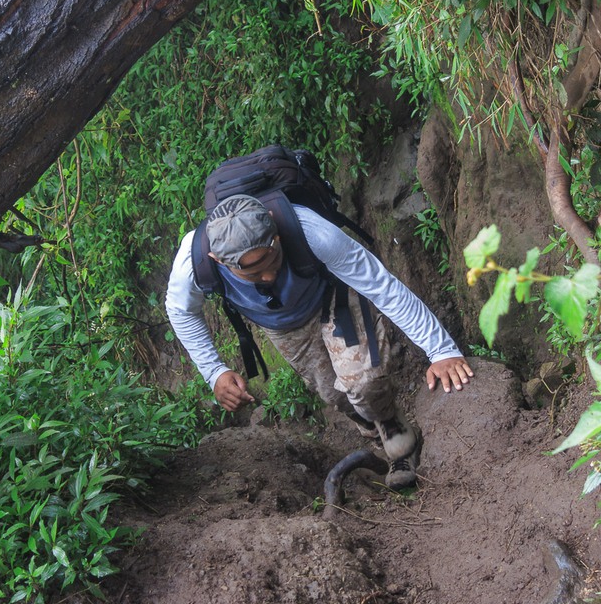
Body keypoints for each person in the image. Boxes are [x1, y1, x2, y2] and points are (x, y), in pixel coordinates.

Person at [166, 194, 473, 490]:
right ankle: (377, 439)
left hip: (333, 293)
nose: (269, 275)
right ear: (217, 260)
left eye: (271, 259)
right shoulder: (192, 264)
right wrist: (214, 371)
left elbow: (382, 286)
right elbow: (180, 311)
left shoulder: (312, 232)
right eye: (253, 272)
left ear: (275, 227)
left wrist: (441, 350)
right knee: (333, 393)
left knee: (363, 383)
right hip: (281, 324)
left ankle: (398, 437)